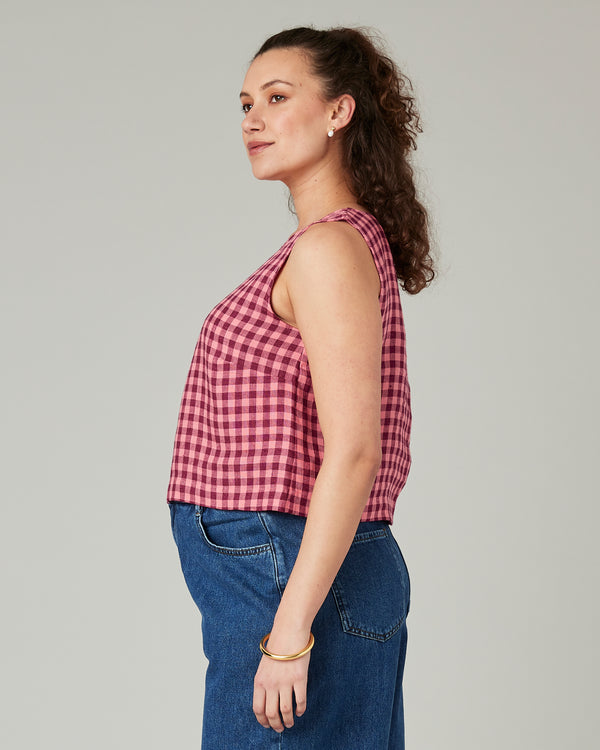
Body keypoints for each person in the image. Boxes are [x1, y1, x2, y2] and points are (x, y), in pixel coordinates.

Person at [167, 26, 434, 749]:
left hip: (290, 579)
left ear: (339, 111)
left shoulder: (327, 249)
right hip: (297, 573)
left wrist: (288, 632)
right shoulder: (334, 243)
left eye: (278, 98)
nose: (253, 119)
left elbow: (354, 451)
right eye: (246, 103)